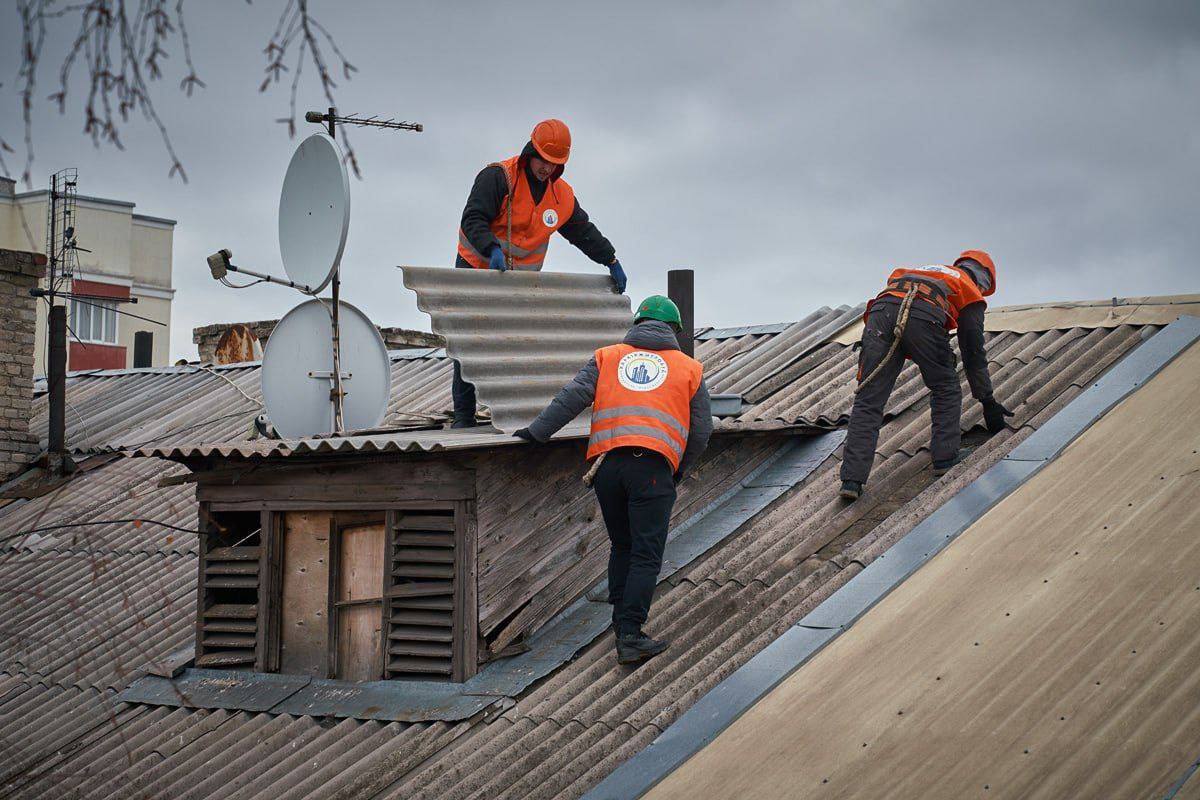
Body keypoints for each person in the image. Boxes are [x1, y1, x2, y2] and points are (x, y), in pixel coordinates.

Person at [513, 296, 712, 664]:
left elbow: (573, 396)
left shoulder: (607, 357)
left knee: (622, 546)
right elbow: (701, 431)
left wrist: (537, 432)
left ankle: (620, 624)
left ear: (637, 324)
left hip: (607, 469)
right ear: (675, 331)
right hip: (651, 472)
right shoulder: (689, 369)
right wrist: (678, 470)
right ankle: (631, 636)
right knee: (645, 554)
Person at [451, 118, 628, 428]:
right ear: (530, 151)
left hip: (520, 281)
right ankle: (464, 416)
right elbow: (473, 218)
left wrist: (610, 258)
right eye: (543, 160)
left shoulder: (560, 196)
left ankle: (509, 414)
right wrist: (490, 248)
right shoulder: (499, 177)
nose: (547, 168)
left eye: (554, 163)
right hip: (478, 269)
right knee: (469, 342)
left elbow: (582, 231)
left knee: (513, 345)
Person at [839, 250, 1013, 501]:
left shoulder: (926, 270)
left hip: (881, 313)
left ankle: (851, 481)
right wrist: (987, 401)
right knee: (946, 387)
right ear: (984, 281)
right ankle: (945, 459)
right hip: (923, 317)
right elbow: (973, 351)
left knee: (868, 401)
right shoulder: (968, 289)